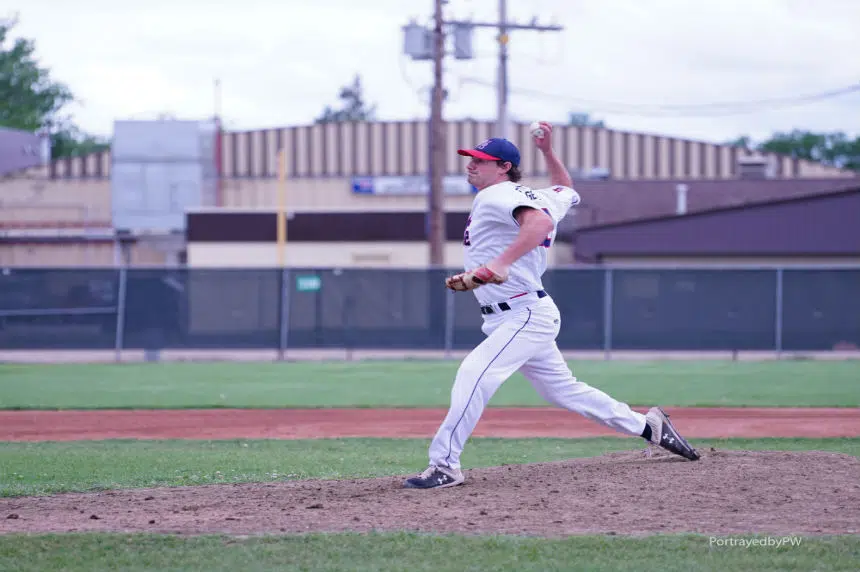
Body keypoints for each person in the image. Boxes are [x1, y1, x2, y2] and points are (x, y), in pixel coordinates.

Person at [403, 123, 700, 490]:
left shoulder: (498, 195)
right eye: (470, 159)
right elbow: (567, 191)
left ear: (504, 168)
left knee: (474, 374)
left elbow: (539, 224)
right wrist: (547, 152)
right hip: (520, 313)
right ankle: (647, 426)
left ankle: (444, 465)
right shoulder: (540, 195)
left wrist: (501, 263)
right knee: (564, 390)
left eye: (480, 161)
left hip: (523, 314)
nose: (470, 165)